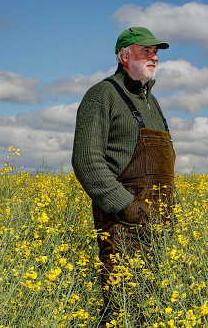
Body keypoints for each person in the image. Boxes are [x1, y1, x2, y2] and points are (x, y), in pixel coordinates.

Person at [71, 27, 175, 326]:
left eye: (155, 51)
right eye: (145, 50)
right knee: (124, 306)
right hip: (122, 224)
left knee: (153, 305)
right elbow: (87, 161)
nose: (153, 56)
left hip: (159, 225)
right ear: (124, 55)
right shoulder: (102, 95)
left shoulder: (152, 103)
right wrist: (127, 207)